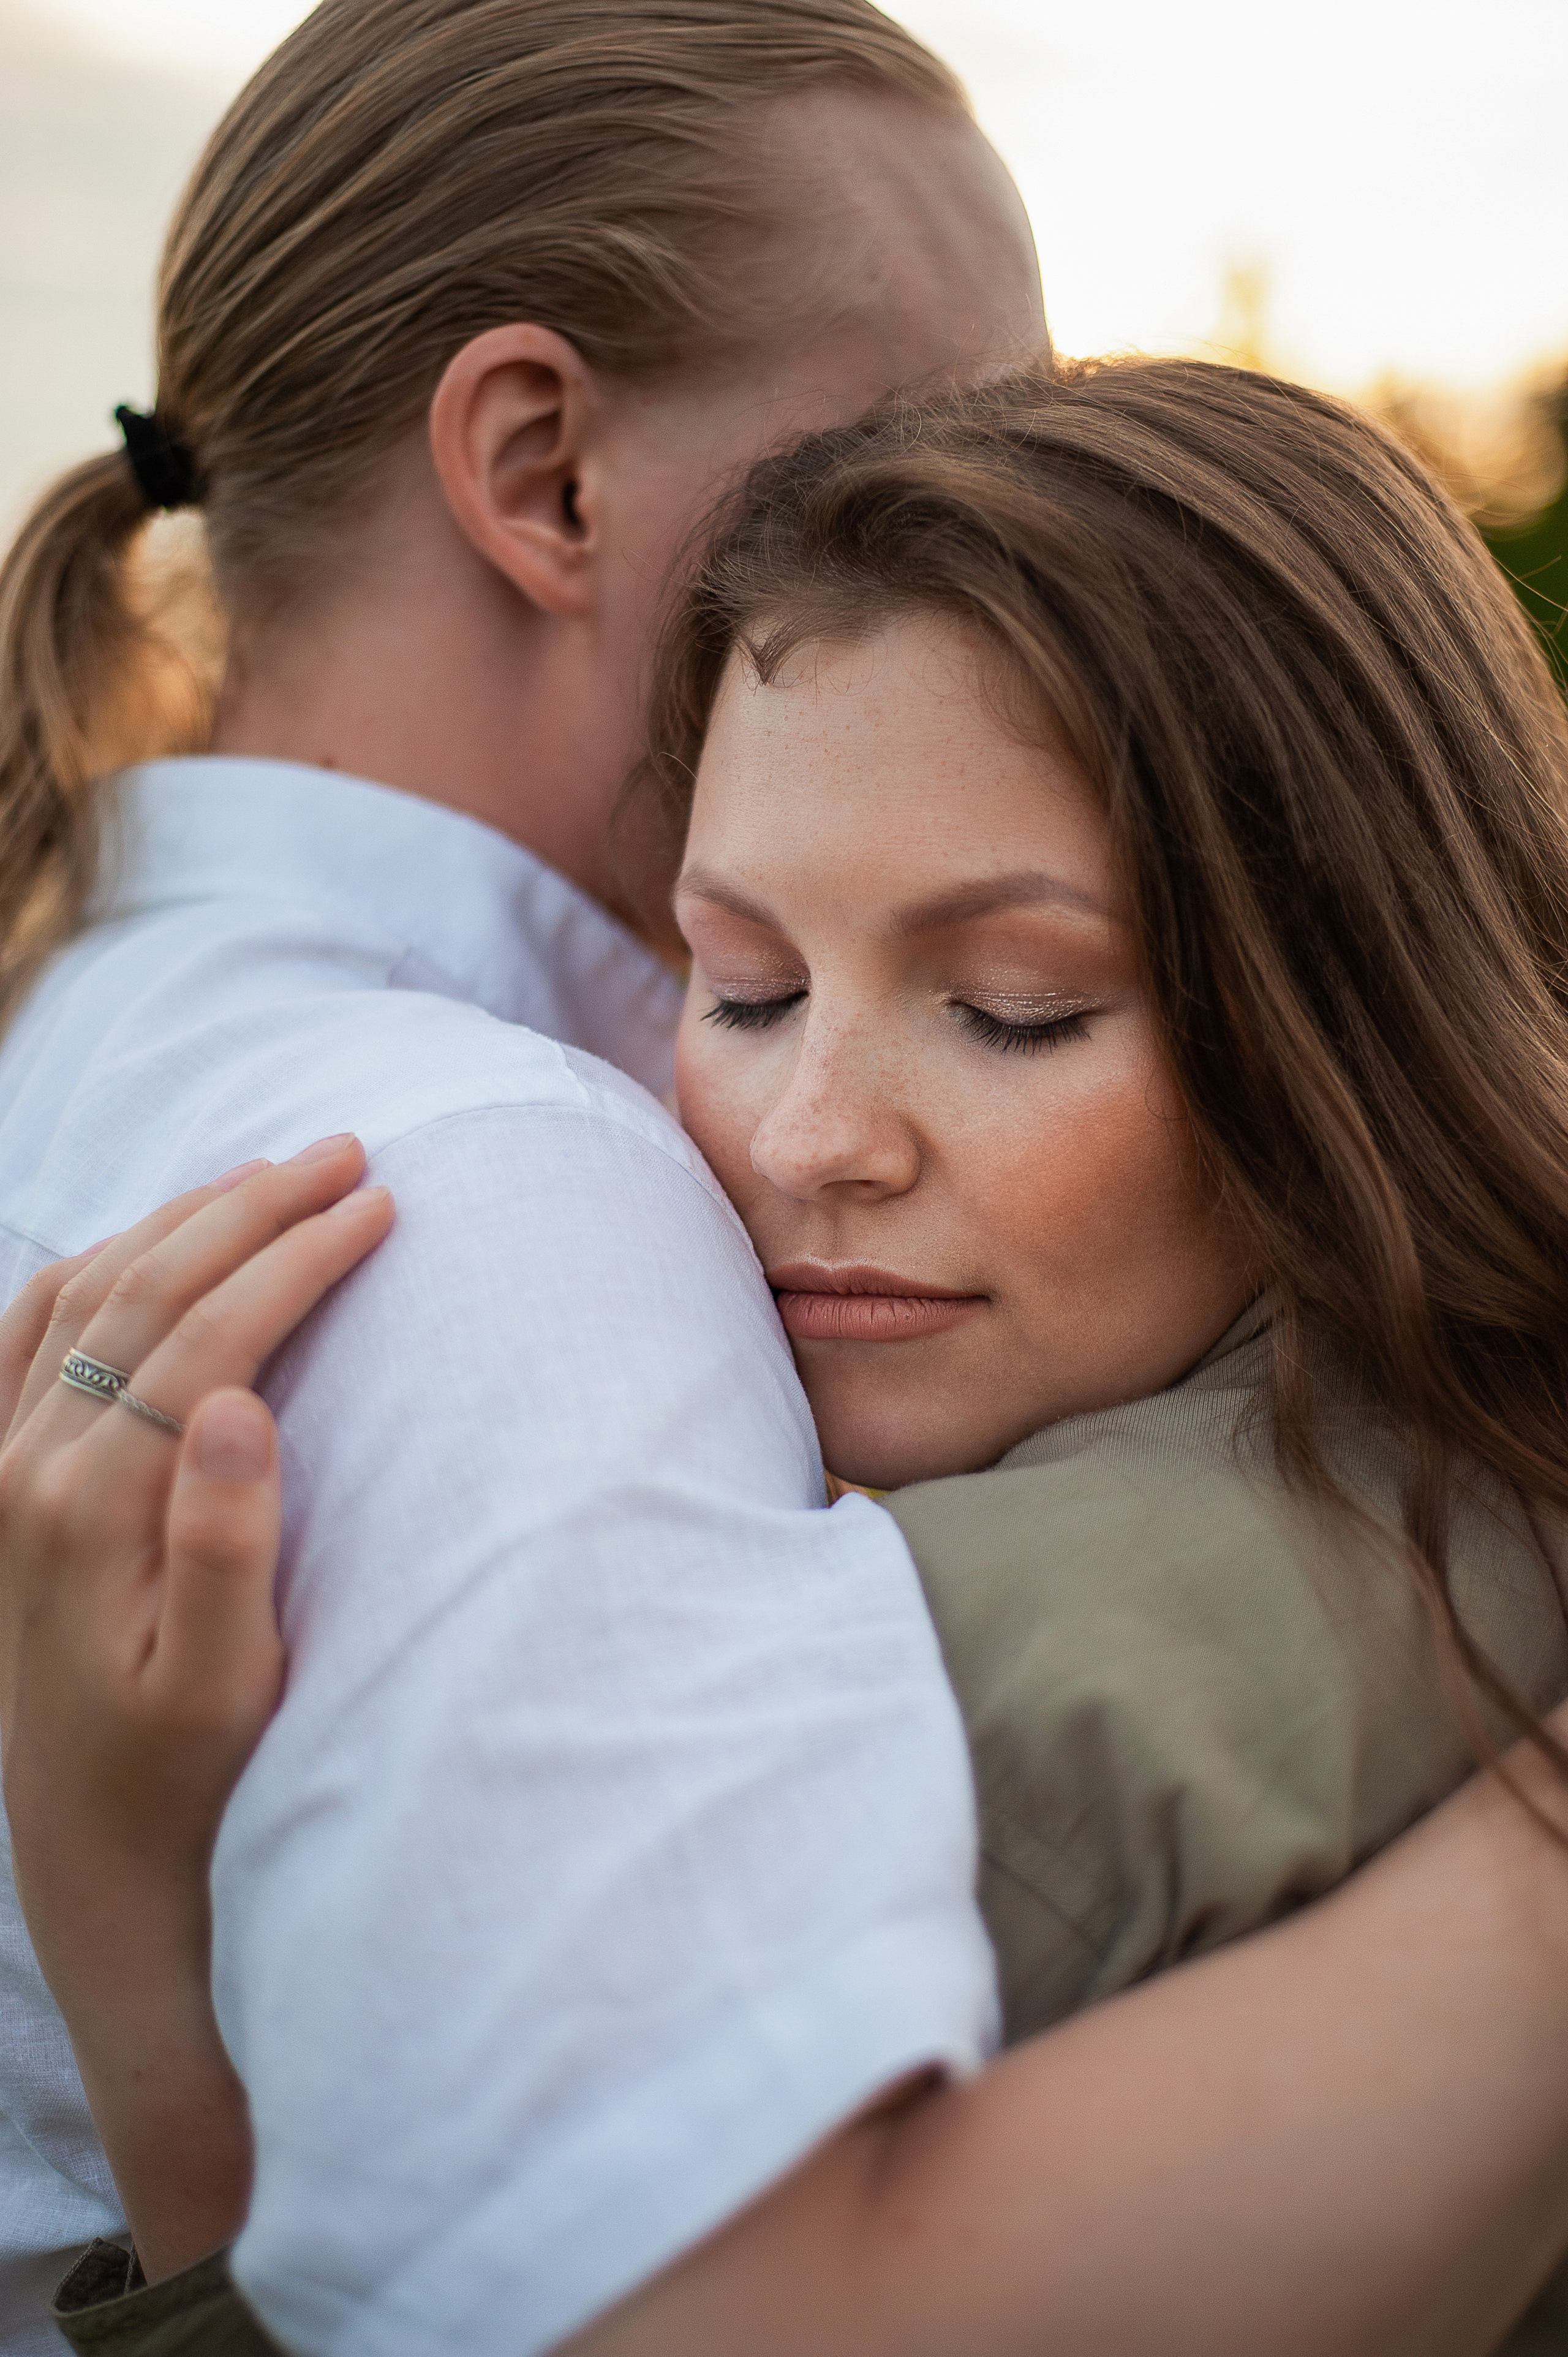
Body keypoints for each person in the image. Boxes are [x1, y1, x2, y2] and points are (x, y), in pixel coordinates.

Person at [7, 358, 1568, 2356]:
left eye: (1012, 1007)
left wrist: (126, 1914)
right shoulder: (1451, 1462)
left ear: (1350, 1007)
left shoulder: (1042, 1676)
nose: (814, 1133)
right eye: (743, 984)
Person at [0, 1, 1049, 2347]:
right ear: (547, 472)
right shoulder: (491, 1187)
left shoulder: (80, 1037)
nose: (1042, 569)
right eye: (944, 465)